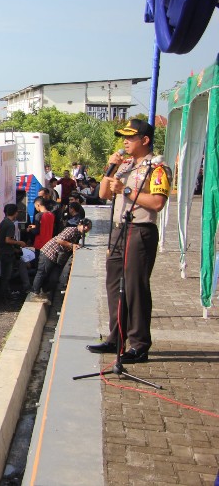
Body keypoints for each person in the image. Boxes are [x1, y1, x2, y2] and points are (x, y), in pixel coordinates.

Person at [87, 119, 171, 364]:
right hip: (119, 229)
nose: (125, 141)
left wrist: (125, 190)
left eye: (131, 137)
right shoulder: (123, 165)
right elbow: (102, 194)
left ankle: (139, 344)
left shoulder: (156, 168)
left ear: (144, 140)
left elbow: (157, 203)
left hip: (140, 229)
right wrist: (110, 168)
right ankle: (116, 338)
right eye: (124, 137)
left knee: (135, 288)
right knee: (114, 285)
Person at [31, 218, 92, 301]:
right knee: (42, 273)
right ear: (81, 225)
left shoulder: (78, 234)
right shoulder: (71, 230)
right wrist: (71, 245)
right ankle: (35, 294)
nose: (86, 229)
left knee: (54, 277)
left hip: (57, 258)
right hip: (49, 253)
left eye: (88, 228)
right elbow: (59, 240)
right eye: (86, 227)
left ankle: (44, 292)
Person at [0, 203, 30, 300]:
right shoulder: (10, 224)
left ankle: (26, 287)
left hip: (6, 252)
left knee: (20, 265)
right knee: (6, 276)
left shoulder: (3, 222)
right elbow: (7, 240)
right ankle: (5, 296)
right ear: (15, 213)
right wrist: (20, 242)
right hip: (7, 253)